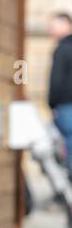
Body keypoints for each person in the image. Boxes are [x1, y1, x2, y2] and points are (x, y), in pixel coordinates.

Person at [48, 12, 72, 162]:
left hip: (66, 105)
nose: (49, 31)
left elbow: (56, 80)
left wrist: (51, 102)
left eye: (53, 26)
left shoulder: (62, 48)